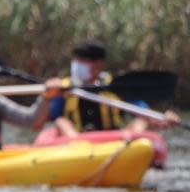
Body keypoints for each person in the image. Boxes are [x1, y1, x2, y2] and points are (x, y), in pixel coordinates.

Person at [43, 39, 179, 137]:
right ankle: (75, 145)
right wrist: (48, 95)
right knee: (61, 122)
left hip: (113, 140)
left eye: (83, 60)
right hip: (76, 140)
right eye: (76, 60)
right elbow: (46, 119)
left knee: (141, 122)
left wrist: (164, 119)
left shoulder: (116, 88)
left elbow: (144, 114)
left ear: (99, 64)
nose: (77, 64)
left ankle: (131, 151)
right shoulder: (64, 89)